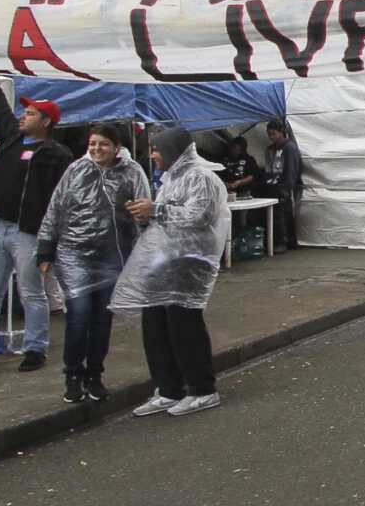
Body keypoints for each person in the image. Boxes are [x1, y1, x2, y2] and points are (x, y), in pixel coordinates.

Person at [0, 78, 73, 375]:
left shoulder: (57, 155)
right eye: (23, 113)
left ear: (47, 122)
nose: (23, 116)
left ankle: (35, 348)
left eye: (31, 114)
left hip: (28, 233)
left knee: (32, 292)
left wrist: (51, 238)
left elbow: (62, 199)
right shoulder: (11, 139)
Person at [33, 124, 151, 405]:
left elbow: (145, 209)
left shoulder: (131, 171)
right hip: (74, 254)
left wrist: (143, 235)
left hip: (112, 255)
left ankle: (94, 374)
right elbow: (56, 208)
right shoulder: (76, 170)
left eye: (104, 144)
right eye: (93, 144)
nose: (97, 149)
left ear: (117, 147)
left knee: (101, 319)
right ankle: (73, 374)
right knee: (79, 315)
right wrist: (46, 250)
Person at [120, 125, 229, 418]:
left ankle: (202, 389)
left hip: (188, 264)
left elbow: (200, 216)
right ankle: (169, 388)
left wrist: (155, 210)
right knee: (156, 326)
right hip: (164, 262)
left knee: (184, 327)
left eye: (156, 149)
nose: (152, 155)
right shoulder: (170, 179)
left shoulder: (200, 177)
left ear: (172, 151)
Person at [263, 119, 303, 249]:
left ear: (281, 132)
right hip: (271, 184)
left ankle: (284, 242)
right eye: (269, 134)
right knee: (274, 215)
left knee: (283, 215)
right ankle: (276, 241)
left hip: (282, 185)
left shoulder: (289, 147)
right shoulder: (270, 149)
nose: (271, 137)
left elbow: (292, 168)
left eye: (274, 133)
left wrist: (287, 186)